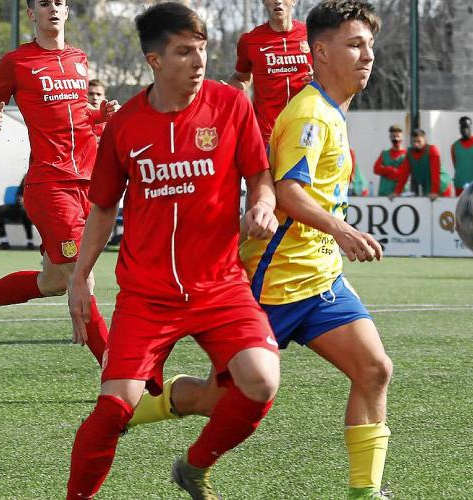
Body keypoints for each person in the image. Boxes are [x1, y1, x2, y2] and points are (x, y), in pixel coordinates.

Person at [127, 2, 393, 498]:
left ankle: (363, 493)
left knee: (374, 369)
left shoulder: (332, 110)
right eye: (355, 45)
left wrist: (332, 249)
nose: (367, 55)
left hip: (319, 280)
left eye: (369, 45)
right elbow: (287, 192)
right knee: (218, 398)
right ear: (320, 52)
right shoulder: (310, 115)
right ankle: (137, 411)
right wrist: (342, 230)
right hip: (271, 283)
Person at [65, 4, 281, 499]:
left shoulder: (230, 105)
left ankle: (194, 466)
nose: (198, 60)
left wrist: (263, 205)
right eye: (184, 51)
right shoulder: (125, 126)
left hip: (220, 286)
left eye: (202, 49)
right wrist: (79, 277)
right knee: (113, 409)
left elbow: (259, 176)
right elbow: (102, 208)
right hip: (147, 295)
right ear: (154, 60)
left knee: (260, 380)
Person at [0, 0, 118, 357]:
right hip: (51, 185)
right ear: (31, 14)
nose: (53, 8)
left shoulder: (79, 58)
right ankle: (119, 375)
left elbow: (77, 111)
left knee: (53, 282)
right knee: (81, 277)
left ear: (67, 12)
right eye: (44, 3)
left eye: (59, 3)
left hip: (88, 183)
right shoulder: (17, 61)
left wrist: (101, 114)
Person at [229, 0, 313, 144]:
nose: (278, 1)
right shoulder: (249, 40)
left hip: (306, 131)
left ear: (294, 1)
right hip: (267, 135)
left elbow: (330, 74)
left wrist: (319, 78)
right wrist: (226, 93)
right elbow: (241, 78)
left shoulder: (311, 35)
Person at [392, 128, 452, 199]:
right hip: (427, 187)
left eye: (419, 141)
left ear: (424, 140)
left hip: (442, 186)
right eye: (414, 141)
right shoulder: (409, 153)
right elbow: (404, 174)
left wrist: (434, 191)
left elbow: (435, 172)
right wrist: (396, 192)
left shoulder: (432, 150)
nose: (416, 144)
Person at [0, 176, 35, 250]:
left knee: (26, 212)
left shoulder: (42, 183)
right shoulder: (27, 177)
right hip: (19, 207)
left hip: (32, 209)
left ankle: (30, 242)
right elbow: (19, 194)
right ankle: (4, 241)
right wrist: (20, 200)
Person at [373, 124, 407, 197]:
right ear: (390, 137)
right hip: (384, 193)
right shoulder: (384, 154)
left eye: (398, 136)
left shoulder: (406, 155)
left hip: (400, 194)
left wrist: (384, 171)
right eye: (393, 136)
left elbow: (401, 174)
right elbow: (376, 169)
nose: (396, 139)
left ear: (402, 137)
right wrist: (391, 170)